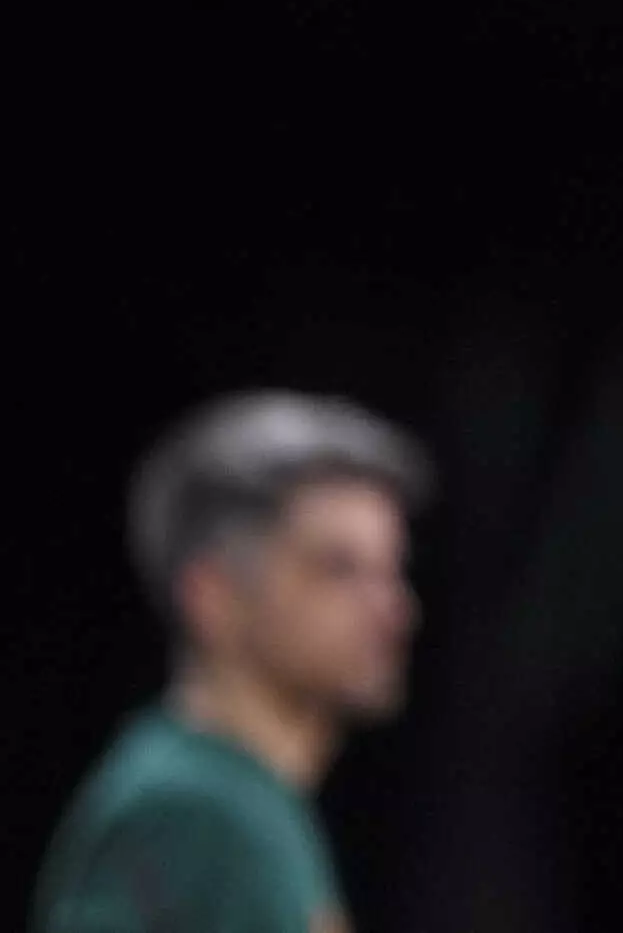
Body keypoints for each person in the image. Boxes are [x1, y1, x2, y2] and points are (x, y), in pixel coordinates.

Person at [32, 393, 431, 933]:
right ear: (213, 595)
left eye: (390, 571)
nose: (394, 610)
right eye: (339, 570)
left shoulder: (248, 799)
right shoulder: (193, 810)